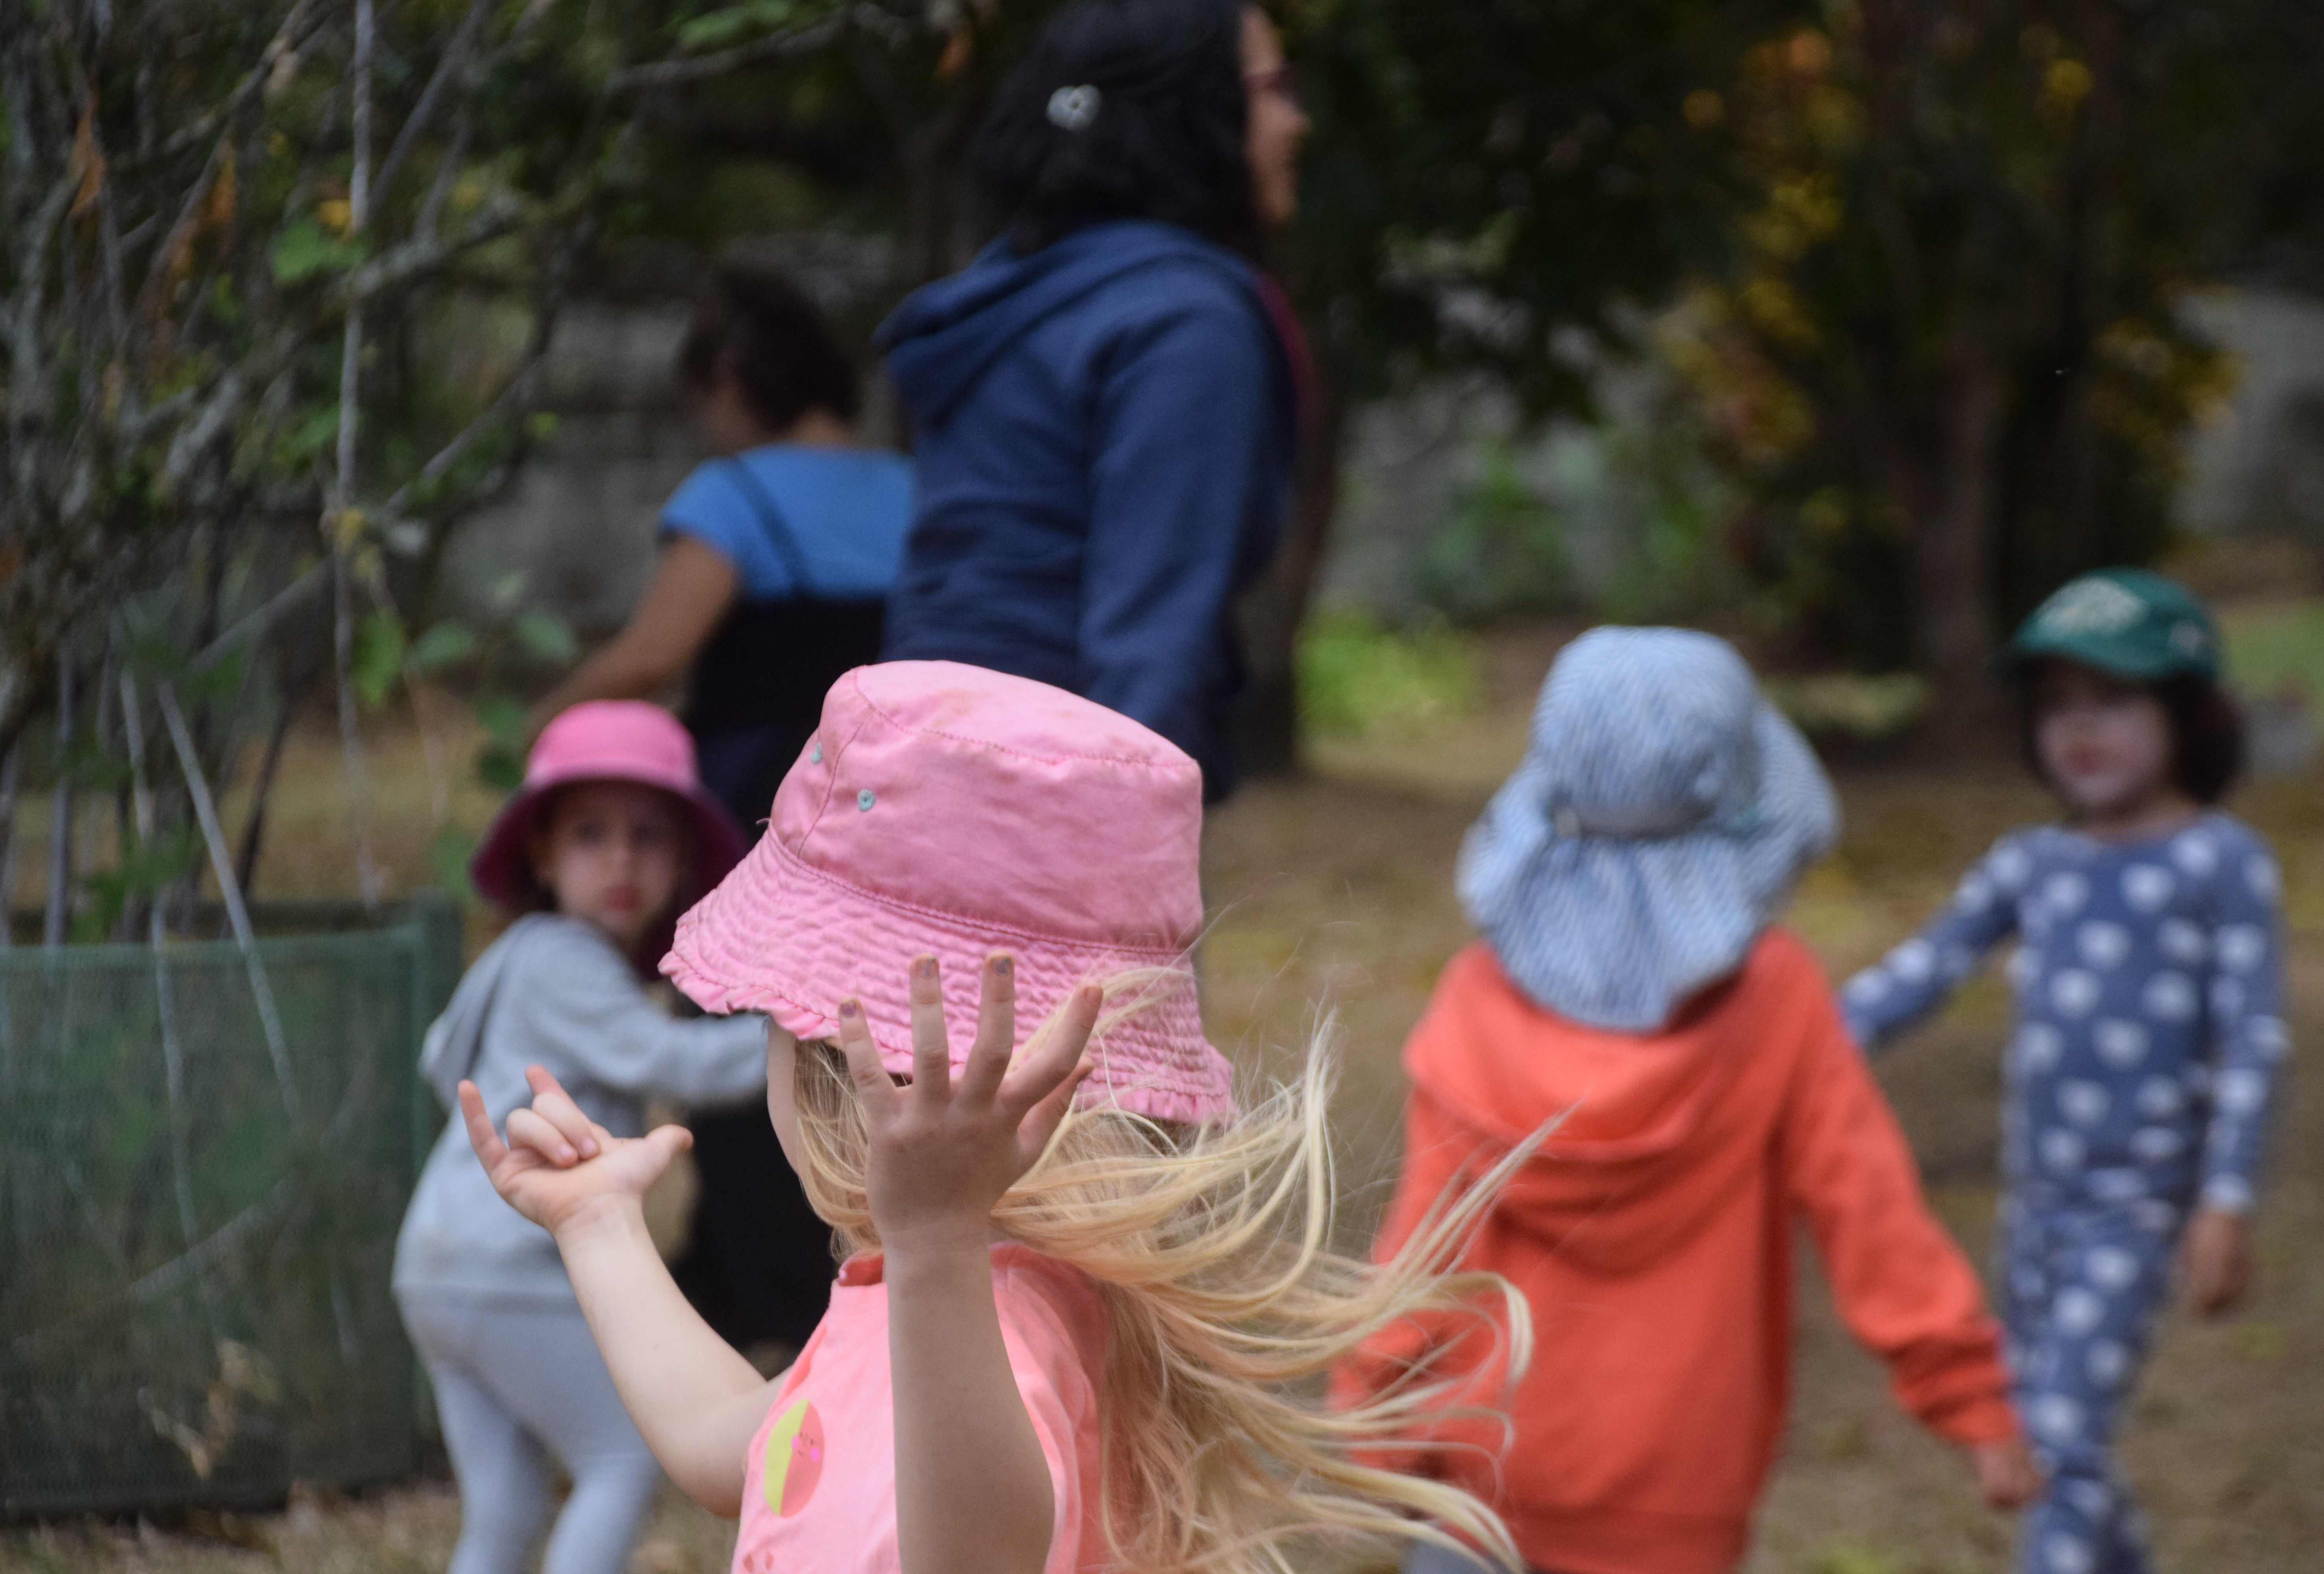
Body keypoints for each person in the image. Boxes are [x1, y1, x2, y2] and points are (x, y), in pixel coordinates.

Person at [455, 661, 1535, 1574]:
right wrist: (601, 1225)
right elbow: (725, 1448)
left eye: (778, 1020)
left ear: (843, 1073)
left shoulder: (987, 1324)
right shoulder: (900, 1305)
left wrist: (935, 1246)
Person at [1333, 628, 2039, 1574]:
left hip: (1478, 1484)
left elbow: (1422, 1247)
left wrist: (1367, 1425)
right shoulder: (1775, 999)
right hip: (1678, 1493)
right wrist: (1973, 1403)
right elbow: (1871, 1215)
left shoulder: (1476, 1000)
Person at [1840, 568, 2287, 1574]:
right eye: (2056, 705)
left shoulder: (2221, 861)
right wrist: (1795, 1042)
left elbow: (2253, 1038)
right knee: (2061, 1436)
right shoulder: (2030, 862)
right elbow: (1922, 970)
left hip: (2137, 1210)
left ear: (2185, 710)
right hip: (2032, 1213)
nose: (2079, 729)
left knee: (2055, 1442)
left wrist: (2226, 1199)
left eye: (2113, 700)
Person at [534, 263, 915, 1358]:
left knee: (757, 1038)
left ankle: (758, 1286)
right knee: (869, 1045)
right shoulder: (912, 489)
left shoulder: (730, 498)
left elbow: (658, 650)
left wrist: (549, 724)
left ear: (735, 381)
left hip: (762, 809)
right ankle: (872, 1270)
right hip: (886, 803)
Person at [874, 0, 1312, 801]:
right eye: (1273, 87)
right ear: (1194, 109)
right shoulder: (1183, 322)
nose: (1296, 121)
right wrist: (1110, 874)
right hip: (1051, 800)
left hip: (908, 765)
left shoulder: (1010, 297)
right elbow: (1150, 643)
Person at [393, 701, 769, 1574]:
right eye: (592, 834)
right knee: (622, 1455)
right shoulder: (567, 956)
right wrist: (800, 1027)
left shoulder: (519, 953)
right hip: (512, 1268)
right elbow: (671, 1060)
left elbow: (437, 1055)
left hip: (438, 1268)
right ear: (542, 853)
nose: (624, 859)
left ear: (680, 858)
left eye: (650, 835)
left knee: (507, 1508)